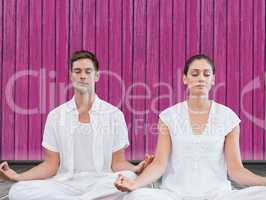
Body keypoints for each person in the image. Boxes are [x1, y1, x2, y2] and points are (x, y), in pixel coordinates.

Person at [114, 54, 266, 200]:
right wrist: (134, 183)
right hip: (174, 194)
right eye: (195, 74)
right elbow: (159, 164)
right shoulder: (169, 116)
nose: (201, 78)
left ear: (213, 80)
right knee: (134, 196)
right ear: (185, 79)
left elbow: (236, 170)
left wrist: (264, 181)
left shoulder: (228, 117)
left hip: (218, 195)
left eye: (206, 74)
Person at [0, 50, 153, 200]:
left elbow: (117, 162)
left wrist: (136, 168)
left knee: (129, 177)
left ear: (97, 75)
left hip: (101, 182)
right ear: (71, 75)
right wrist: (18, 176)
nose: (83, 76)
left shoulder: (114, 115)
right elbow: (50, 165)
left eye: (88, 71)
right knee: (18, 190)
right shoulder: (56, 116)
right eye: (78, 71)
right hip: (65, 184)